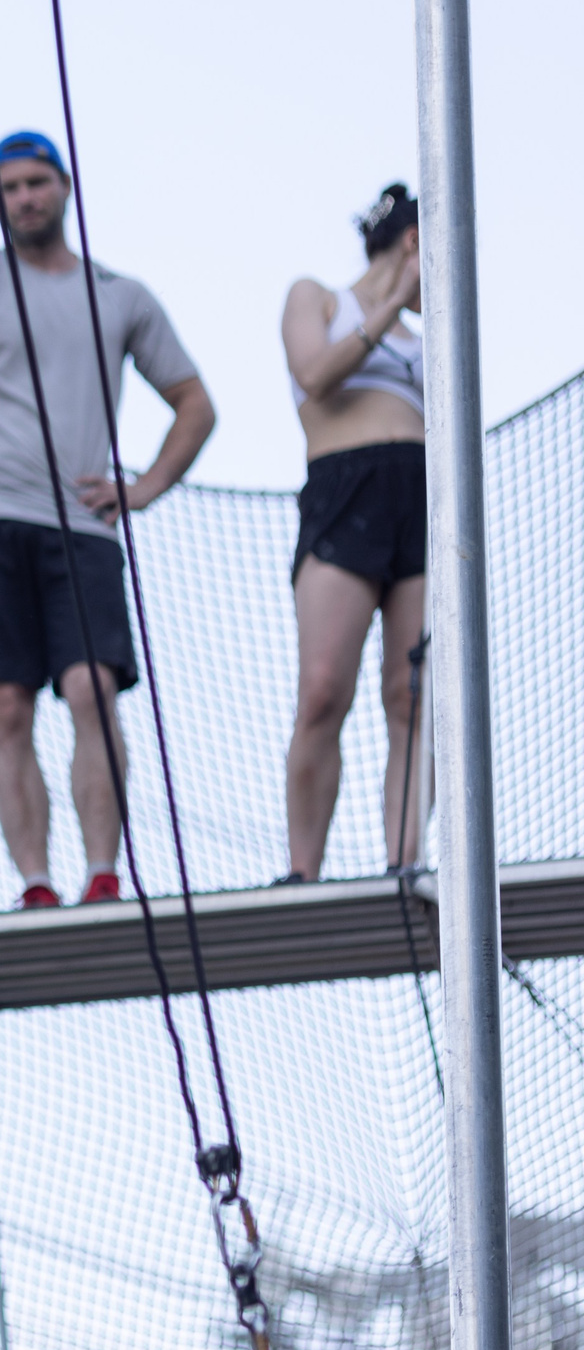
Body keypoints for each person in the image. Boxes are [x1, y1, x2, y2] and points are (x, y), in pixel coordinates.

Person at [0, 132, 217, 910]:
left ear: (65, 187)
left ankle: (102, 871)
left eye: (36, 183)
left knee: (93, 689)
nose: (24, 198)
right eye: (9, 188)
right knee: (6, 703)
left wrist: (147, 485)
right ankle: (35, 881)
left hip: (82, 528)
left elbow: (195, 402)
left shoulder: (120, 295)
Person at [279, 183, 426, 882]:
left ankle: (404, 859)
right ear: (412, 243)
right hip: (345, 488)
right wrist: (392, 301)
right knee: (323, 687)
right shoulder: (321, 298)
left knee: (411, 693)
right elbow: (314, 376)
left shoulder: (430, 337)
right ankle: (303, 869)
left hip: (419, 499)